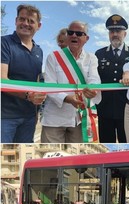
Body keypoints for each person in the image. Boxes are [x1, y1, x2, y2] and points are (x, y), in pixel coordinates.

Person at [41, 21, 102, 143]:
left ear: (86, 38)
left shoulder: (91, 58)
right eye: (71, 32)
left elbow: (94, 79)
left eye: (79, 33)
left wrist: (92, 90)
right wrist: (68, 99)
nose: (74, 35)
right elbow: (50, 86)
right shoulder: (53, 57)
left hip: (79, 118)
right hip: (55, 118)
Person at [1, 4, 46, 143]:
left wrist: (37, 107)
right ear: (16, 21)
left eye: (31, 21)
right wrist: (28, 95)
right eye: (22, 19)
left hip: (29, 117)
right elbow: (2, 81)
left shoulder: (39, 51)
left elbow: (37, 82)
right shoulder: (4, 43)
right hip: (5, 116)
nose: (26, 23)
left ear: (38, 26)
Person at [95, 14, 129, 143]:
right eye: (112, 31)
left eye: (118, 31)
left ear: (125, 33)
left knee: (127, 144)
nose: (115, 34)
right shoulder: (99, 54)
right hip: (105, 109)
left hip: (127, 109)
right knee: (107, 144)